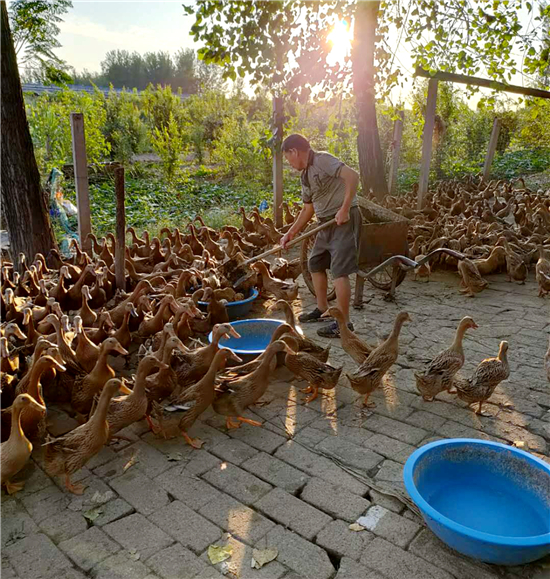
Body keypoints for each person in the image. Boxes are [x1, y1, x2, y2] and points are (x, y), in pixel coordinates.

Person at [280, 134, 361, 338]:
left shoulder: (322, 160)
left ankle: (344, 324)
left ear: (294, 151)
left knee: (339, 271)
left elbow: (352, 176)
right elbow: (308, 209)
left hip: (343, 220)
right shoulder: (305, 176)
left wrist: (344, 209)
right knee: (315, 263)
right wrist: (290, 233)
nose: (289, 163)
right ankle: (322, 308)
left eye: (288, 158)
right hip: (325, 223)